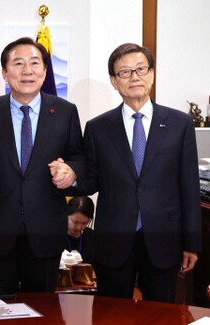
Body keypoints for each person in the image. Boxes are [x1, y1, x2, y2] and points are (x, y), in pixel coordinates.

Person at [66, 43, 201, 302]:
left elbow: (189, 186)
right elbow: (91, 180)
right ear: (114, 81)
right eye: (125, 72)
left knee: (161, 316)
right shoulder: (97, 128)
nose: (134, 77)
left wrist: (191, 243)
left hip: (164, 239)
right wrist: (68, 175)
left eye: (140, 69)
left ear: (151, 74)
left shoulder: (180, 124)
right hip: (114, 240)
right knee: (111, 315)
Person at [0, 37, 85, 294]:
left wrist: (71, 173)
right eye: (18, 64)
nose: (27, 71)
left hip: (46, 231)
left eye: (34, 63)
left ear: (44, 71)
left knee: (44, 312)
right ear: (5, 73)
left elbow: (79, 157)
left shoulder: (65, 112)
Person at [66, 196, 95, 264]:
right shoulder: (54, 236)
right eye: (75, 222)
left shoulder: (94, 238)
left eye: (84, 223)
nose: (79, 227)